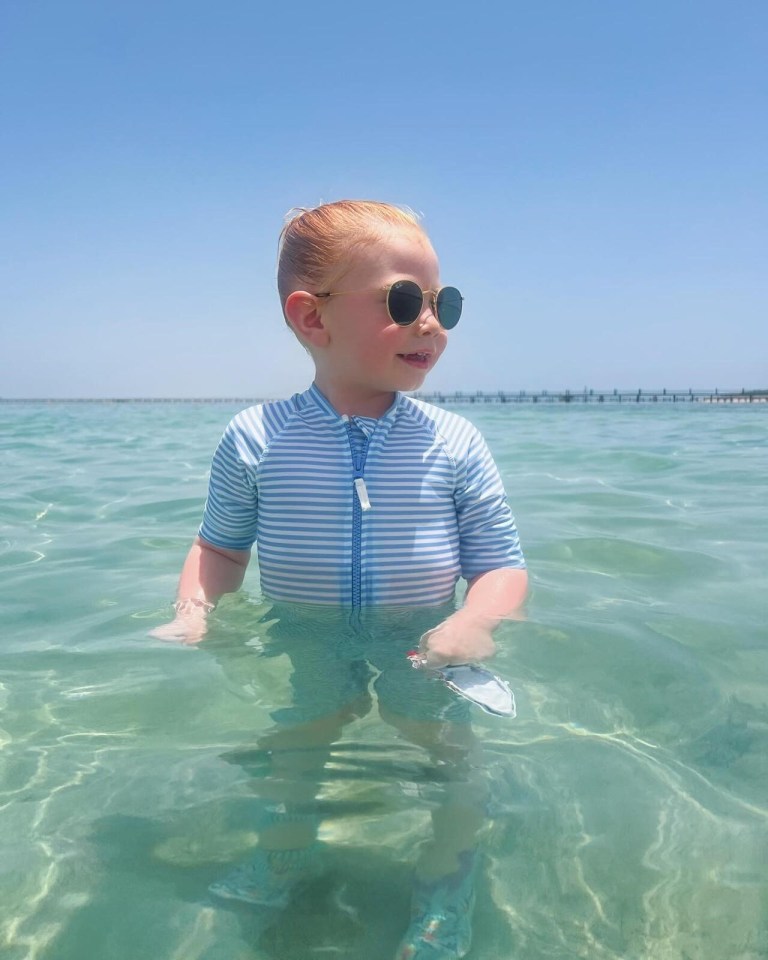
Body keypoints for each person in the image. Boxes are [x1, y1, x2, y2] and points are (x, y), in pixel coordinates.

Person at [151, 200, 528, 958]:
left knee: (451, 761)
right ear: (310, 317)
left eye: (442, 303)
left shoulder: (453, 443)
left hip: (422, 643)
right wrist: (194, 608)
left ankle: (447, 880)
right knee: (296, 748)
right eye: (403, 301)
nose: (432, 323)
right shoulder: (257, 437)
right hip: (308, 637)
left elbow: (500, 564)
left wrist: (474, 623)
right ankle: (284, 851)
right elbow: (220, 548)